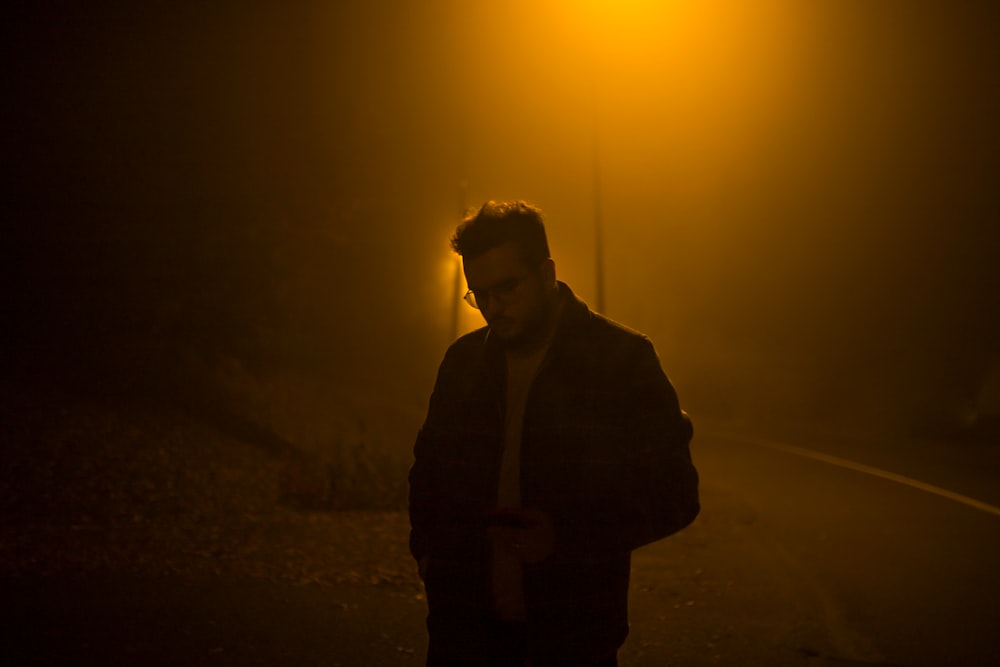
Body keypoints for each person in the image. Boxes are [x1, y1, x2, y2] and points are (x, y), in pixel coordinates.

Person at [409, 201, 699, 666]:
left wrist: (566, 537)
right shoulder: (463, 364)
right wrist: (428, 553)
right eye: (479, 294)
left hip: (572, 637)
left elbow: (677, 493)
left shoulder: (621, 361)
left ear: (546, 274)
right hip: (463, 636)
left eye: (506, 288)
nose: (492, 308)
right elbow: (428, 470)